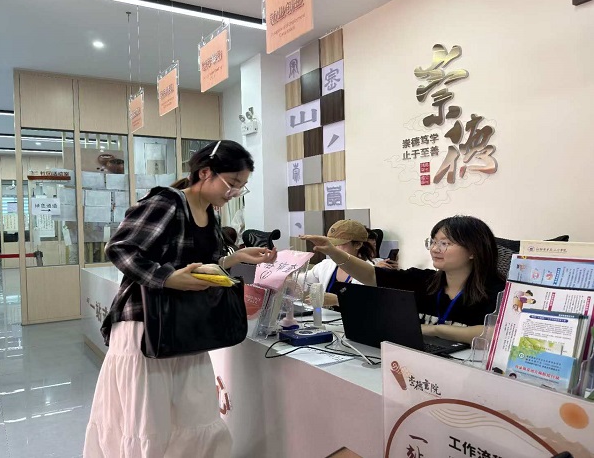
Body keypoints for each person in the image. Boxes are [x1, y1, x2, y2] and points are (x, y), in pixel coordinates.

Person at [84, 140, 277, 458]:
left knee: (194, 414)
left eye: (241, 186)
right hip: (147, 326)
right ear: (206, 172)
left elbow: (199, 268)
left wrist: (235, 258)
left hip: (187, 327)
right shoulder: (167, 202)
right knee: (148, 418)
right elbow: (120, 248)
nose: (234, 192)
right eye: (232, 182)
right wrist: (166, 278)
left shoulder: (209, 214)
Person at [302, 215, 505, 344]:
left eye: (445, 243)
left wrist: (434, 329)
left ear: (473, 251)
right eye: (433, 242)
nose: (435, 249)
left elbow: (494, 332)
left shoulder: (498, 291)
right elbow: (371, 275)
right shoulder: (423, 280)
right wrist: (334, 252)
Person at [298, 220, 367, 308]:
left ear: (358, 245)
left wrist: (338, 300)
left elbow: (371, 302)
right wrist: (287, 275)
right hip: (327, 316)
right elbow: (302, 281)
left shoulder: (369, 271)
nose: (334, 248)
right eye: (332, 244)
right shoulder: (326, 265)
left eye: (340, 244)